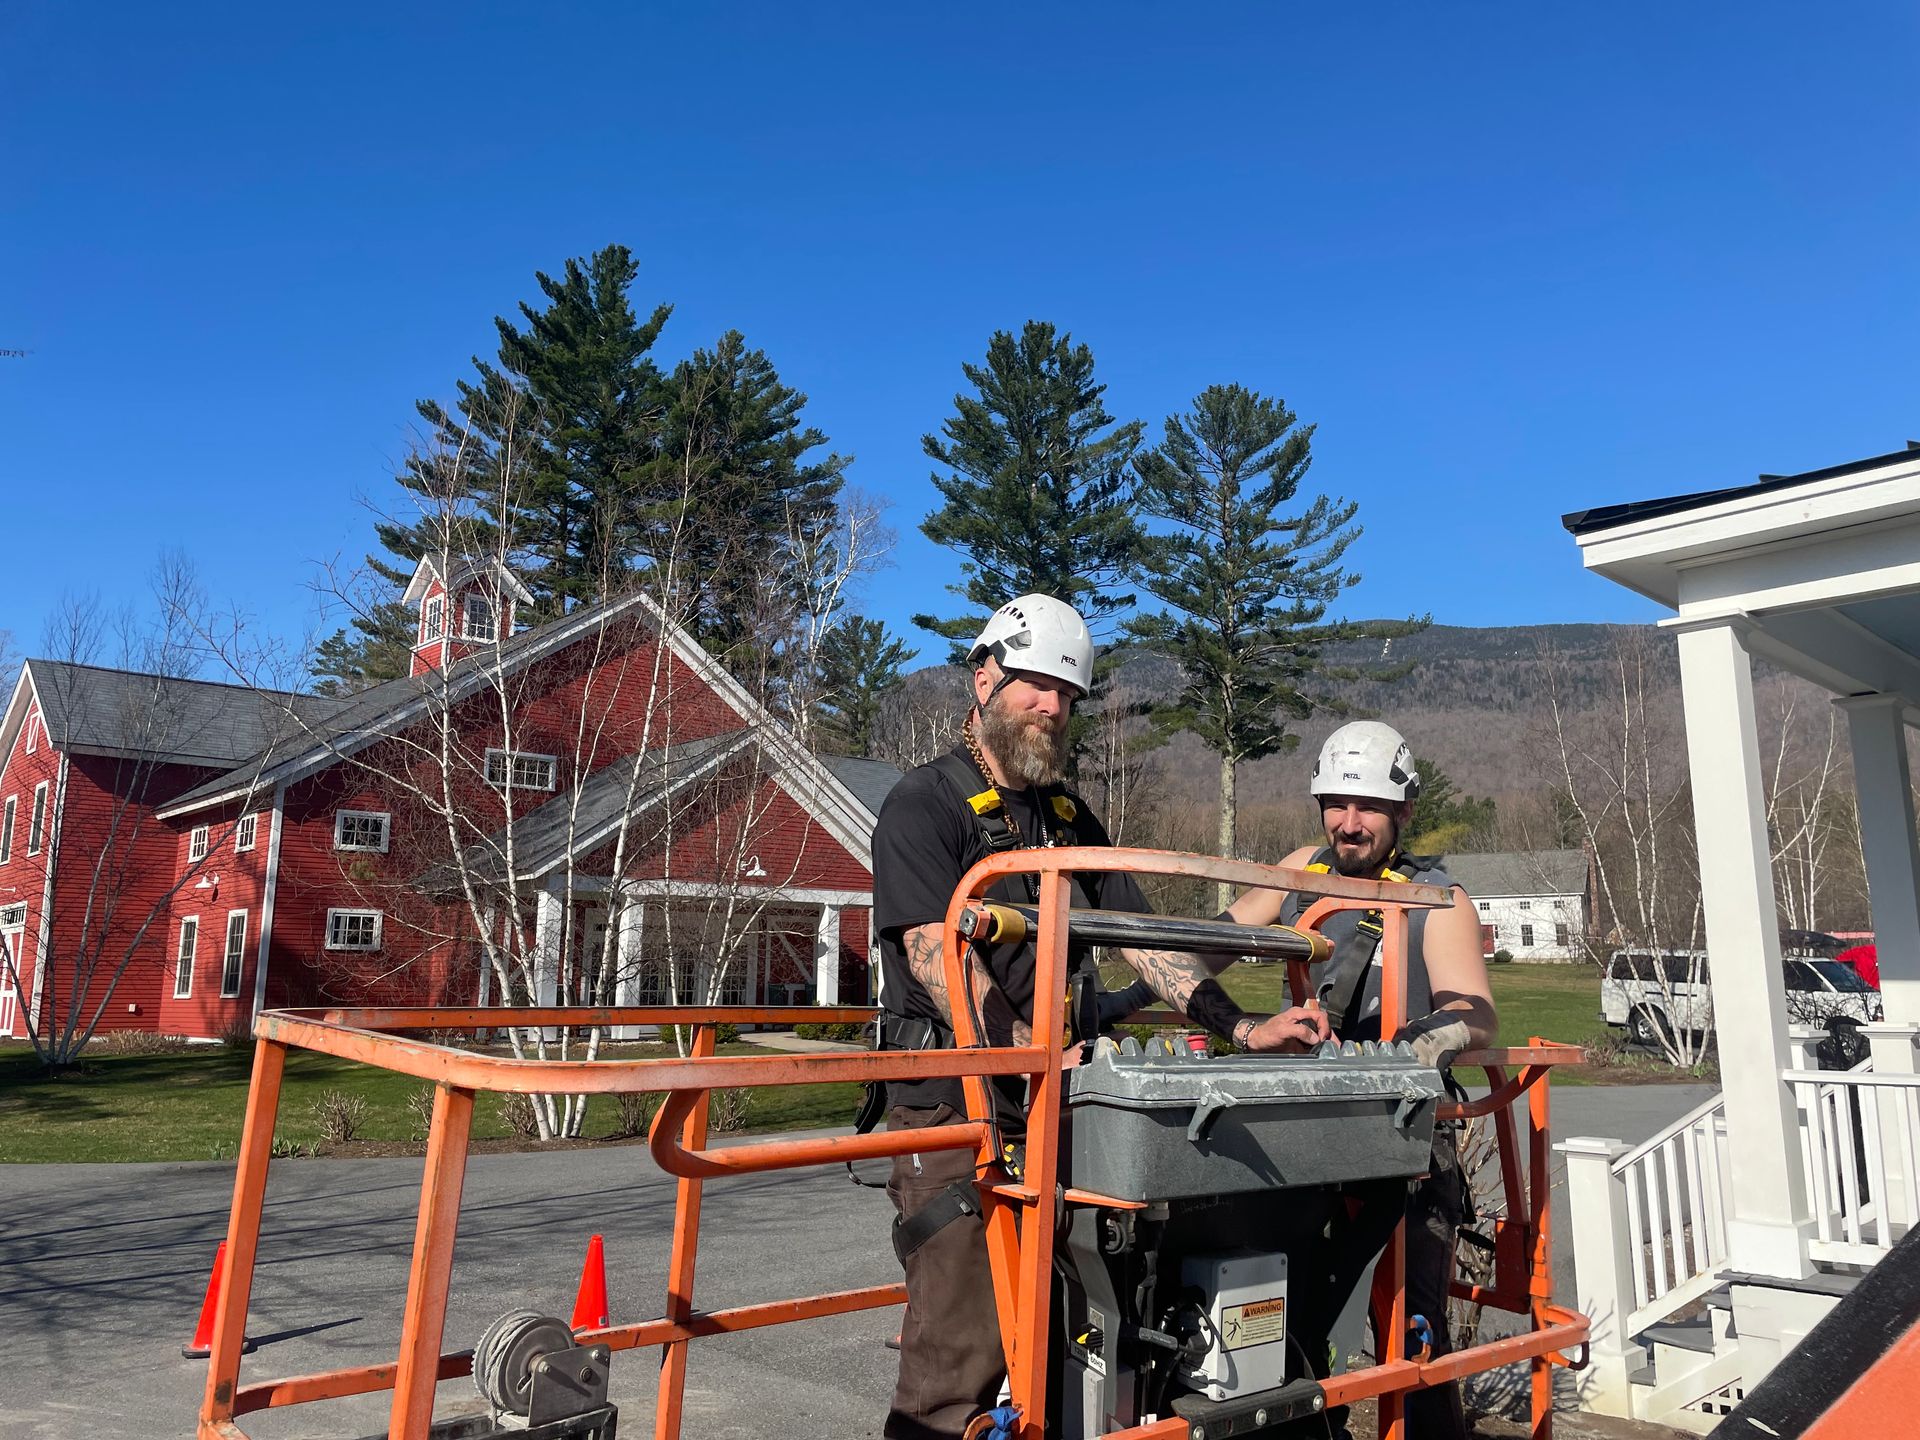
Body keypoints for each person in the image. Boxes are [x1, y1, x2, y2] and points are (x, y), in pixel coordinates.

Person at [870, 594, 1330, 1440]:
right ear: (984, 678)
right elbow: (941, 962)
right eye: (1034, 685)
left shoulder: (1068, 818)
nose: (1050, 706)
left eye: (1067, 694)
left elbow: (1147, 943)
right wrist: (1037, 1057)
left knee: (1075, 1337)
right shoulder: (923, 805)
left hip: (1056, 1101)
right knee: (960, 1356)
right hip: (954, 1108)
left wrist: (1243, 1028)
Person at [1224, 719, 1495, 1440]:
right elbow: (1213, 940)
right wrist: (1204, 1011)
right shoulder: (1299, 873)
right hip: (1300, 1131)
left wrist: (1421, 1042)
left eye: (1369, 805)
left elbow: (1477, 1010)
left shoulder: (1436, 897)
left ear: (1403, 811)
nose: (1349, 823)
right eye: (1336, 803)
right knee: (1284, 1304)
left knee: (1408, 1320)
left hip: (1403, 1136)